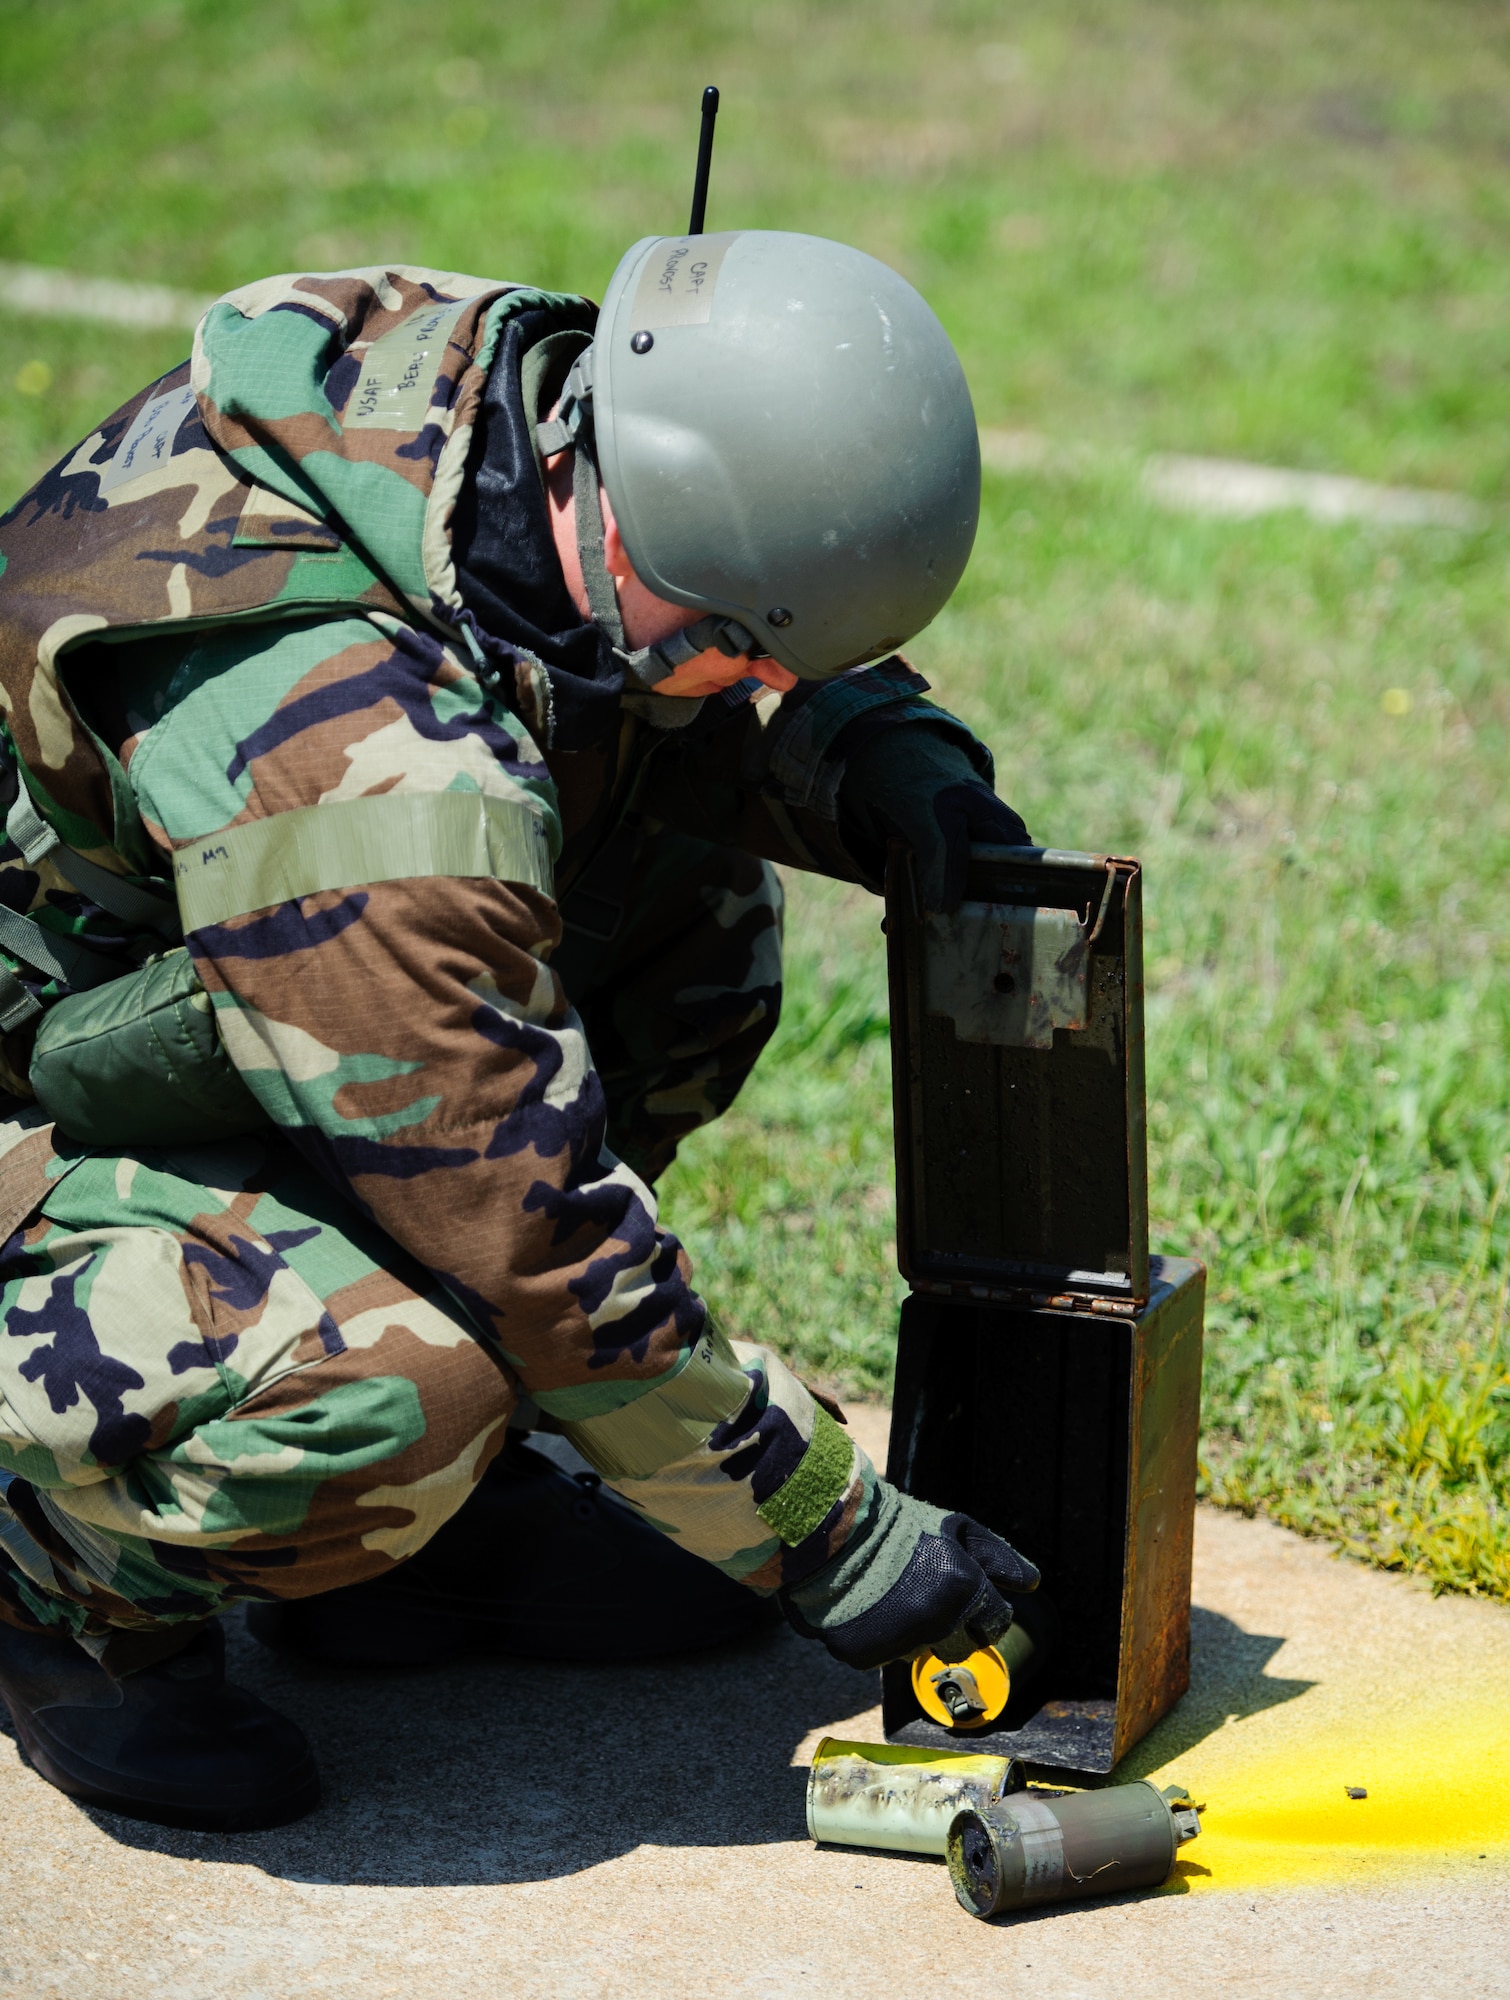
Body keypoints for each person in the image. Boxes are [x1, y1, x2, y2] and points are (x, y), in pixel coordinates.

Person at [0, 230, 1038, 1830]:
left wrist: (884, 758)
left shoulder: (525, 409)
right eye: (735, 641)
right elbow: (526, 1230)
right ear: (637, 505)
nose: (752, 684)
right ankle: (57, 1590)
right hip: (28, 1102)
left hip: (179, 1006)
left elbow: (683, 672)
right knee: (382, 1391)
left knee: (692, 928)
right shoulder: (364, 764)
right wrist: (830, 1534)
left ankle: (416, 1552)